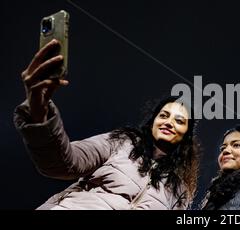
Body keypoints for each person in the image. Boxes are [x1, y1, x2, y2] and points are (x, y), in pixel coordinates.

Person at [14, 40, 200, 209]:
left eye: (179, 120)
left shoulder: (180, 190)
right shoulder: (121, 142)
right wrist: (40, 112)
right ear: (153, 121)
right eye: (164, 115)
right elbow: (62, 163)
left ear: (186, 135)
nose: (168, 122)